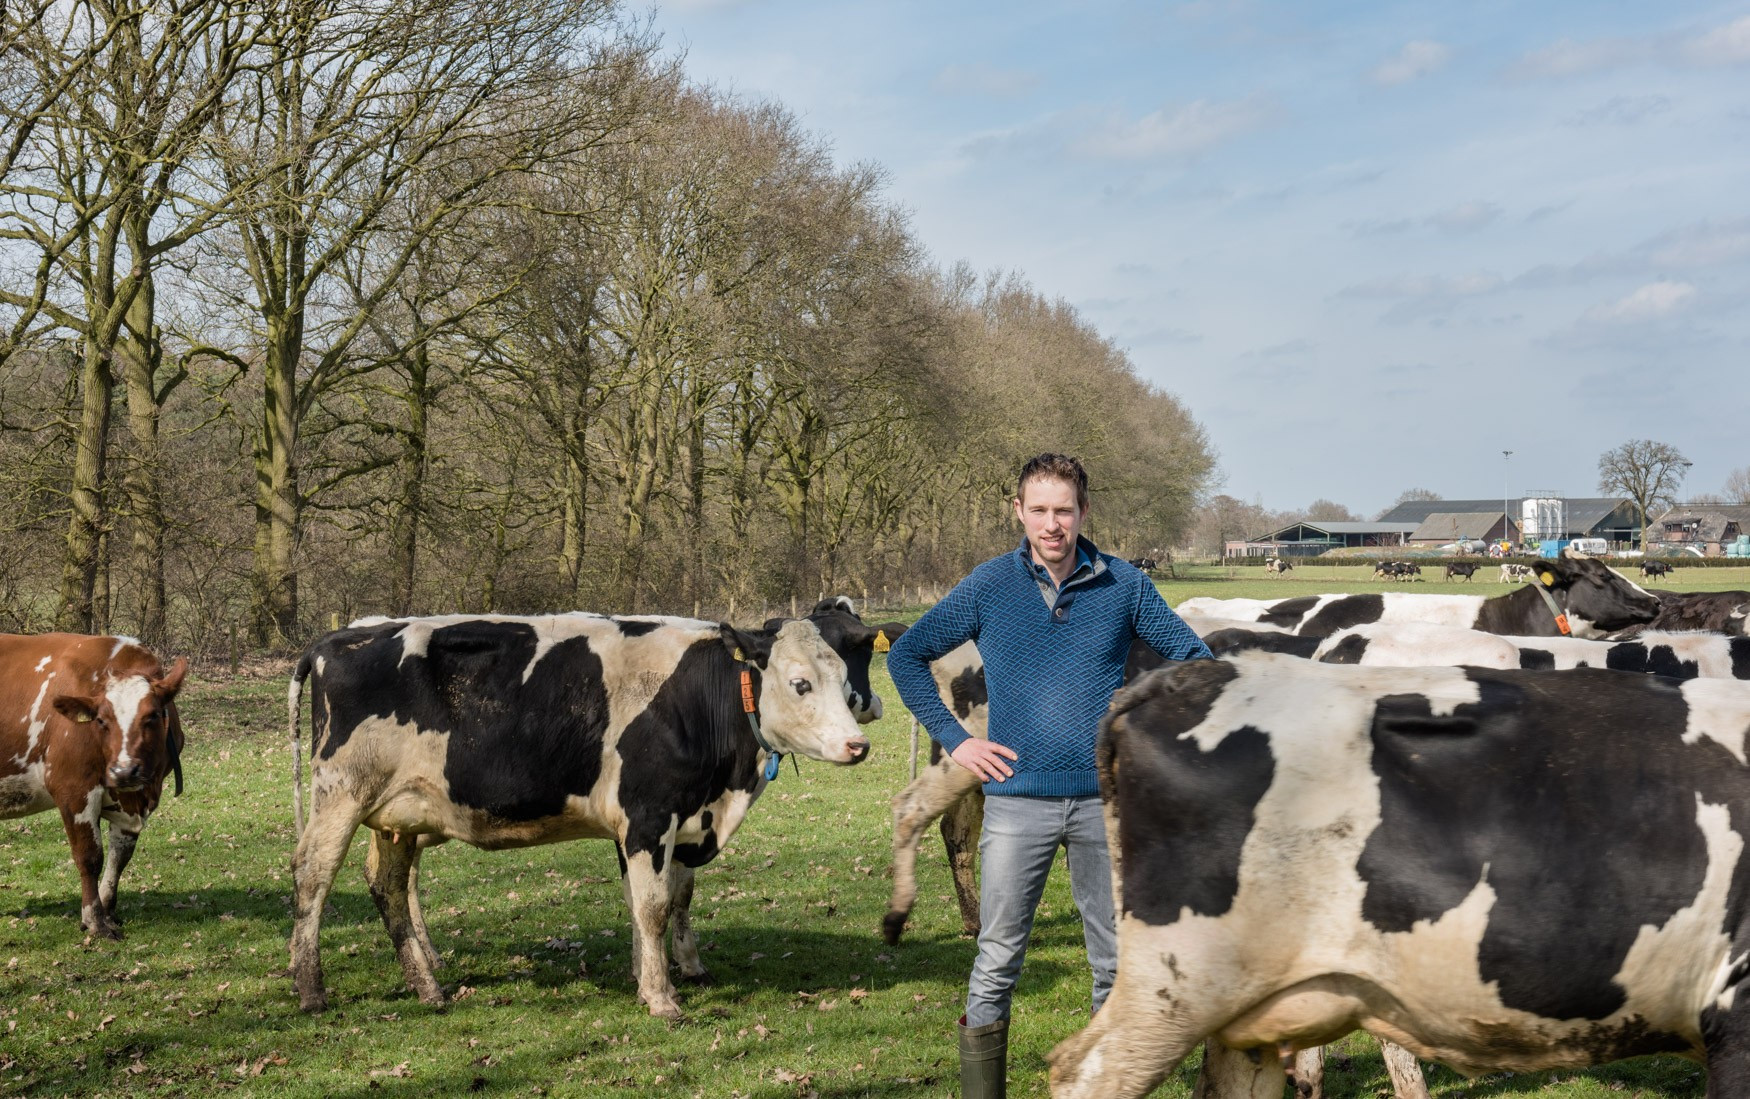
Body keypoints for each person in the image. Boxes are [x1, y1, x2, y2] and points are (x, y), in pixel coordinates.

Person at [886, 453, 1213, 1098]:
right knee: (996, 959)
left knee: (1112, 964)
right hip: (1015, 806)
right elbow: (906, 655)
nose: (1052, 523)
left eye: (1063, 510)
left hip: (1102, 806)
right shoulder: (988, 586)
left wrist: (1146, 741)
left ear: (1083, 512)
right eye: (1038, 509)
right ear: (1019, 512)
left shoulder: (1123, 585)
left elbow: (1194, 662)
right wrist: (957, 743)